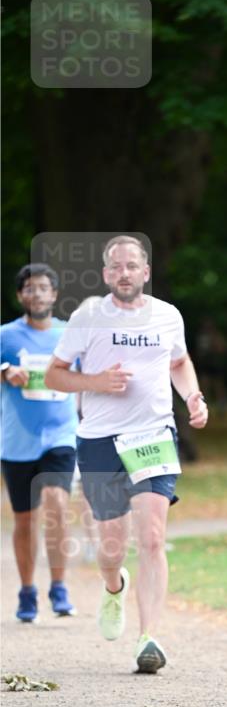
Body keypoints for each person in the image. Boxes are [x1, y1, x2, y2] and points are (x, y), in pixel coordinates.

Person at [44, 236, 208, 672]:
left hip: (153, 434)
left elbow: (179, 362)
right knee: (112, 547)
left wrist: (192, 397)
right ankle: (114, 586)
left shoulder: (168, 316)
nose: (123, 273)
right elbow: (55, 376)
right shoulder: (88, 316)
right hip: (99, 440)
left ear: (145, 272)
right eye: (115, 267)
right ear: (105, 275)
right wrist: (94, 382)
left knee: (153, 536)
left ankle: (148, 637)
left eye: (131, 266)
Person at [1, 263, 79, 622]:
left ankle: (59, 586)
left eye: (43, 288)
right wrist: (4, 371)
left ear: (54, 294)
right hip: (17, 441)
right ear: (20, 296)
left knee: (56, 505)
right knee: (25, 520)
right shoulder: (6, 336)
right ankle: (28, 591)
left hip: (61, 435)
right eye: (29, 289)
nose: (37, 294)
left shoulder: (69, 334)